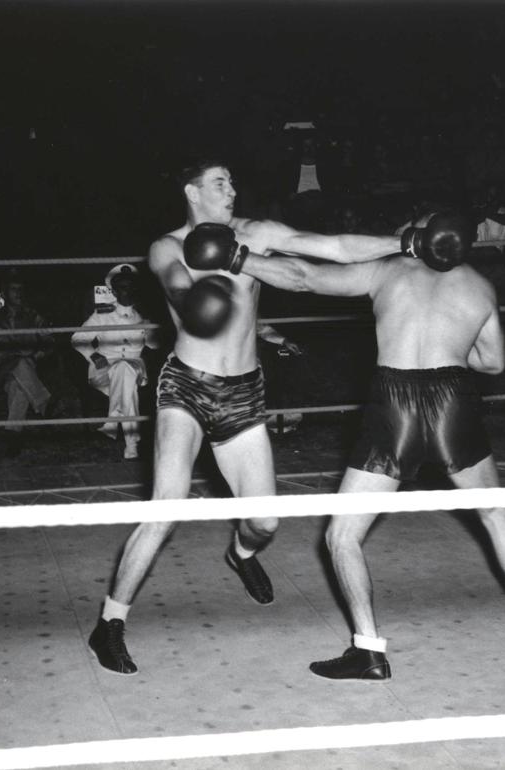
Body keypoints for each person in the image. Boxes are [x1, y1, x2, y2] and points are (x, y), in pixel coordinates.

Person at [88, 159, 411, 676]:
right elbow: (174, 283)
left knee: (263, 522)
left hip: (244, 392)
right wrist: (197, 300)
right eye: (221, 183)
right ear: (193, 192)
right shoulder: (166, 245)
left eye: (234, 182)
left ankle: (240, 555)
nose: (233, 190)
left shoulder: (255, 234)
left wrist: (405, 244)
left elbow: (332, 248)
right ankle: (110, 624)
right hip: (186, 386)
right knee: (166, 508)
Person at [236, 213, 505, 682]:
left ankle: (368, 650)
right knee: (495, 512)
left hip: (396, 405)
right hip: (454, 403)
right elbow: (493, 362)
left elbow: (303, 278)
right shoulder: (479, 287)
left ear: (420, 237)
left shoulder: (387, 269)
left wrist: (241, 259)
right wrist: (446, 345)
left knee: (342, 535)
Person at [71, 264, 160, 459]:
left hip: (135, 368)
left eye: (130, 286)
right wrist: (94, 355)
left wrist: (150, 328)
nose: (126, 291)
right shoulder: (102, 315)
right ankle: (131, 440)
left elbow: (154, 346)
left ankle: (114, 423)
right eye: (121, 287)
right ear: (113, 290)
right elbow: (78, 339)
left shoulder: (143, 317)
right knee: (124, 376)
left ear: (136, 289)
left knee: (125, 369)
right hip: (103, 371)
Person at [0, 270, 54, 442]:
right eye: (13, 289)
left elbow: (49, 339)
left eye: (21, 289)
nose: (18, 293)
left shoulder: (33, 317)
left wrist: (40, 354)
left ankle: (13, 433)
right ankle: (42, 399)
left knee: (18, 387)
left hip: (27, 369)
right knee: (19, 361)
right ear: (5, 294)